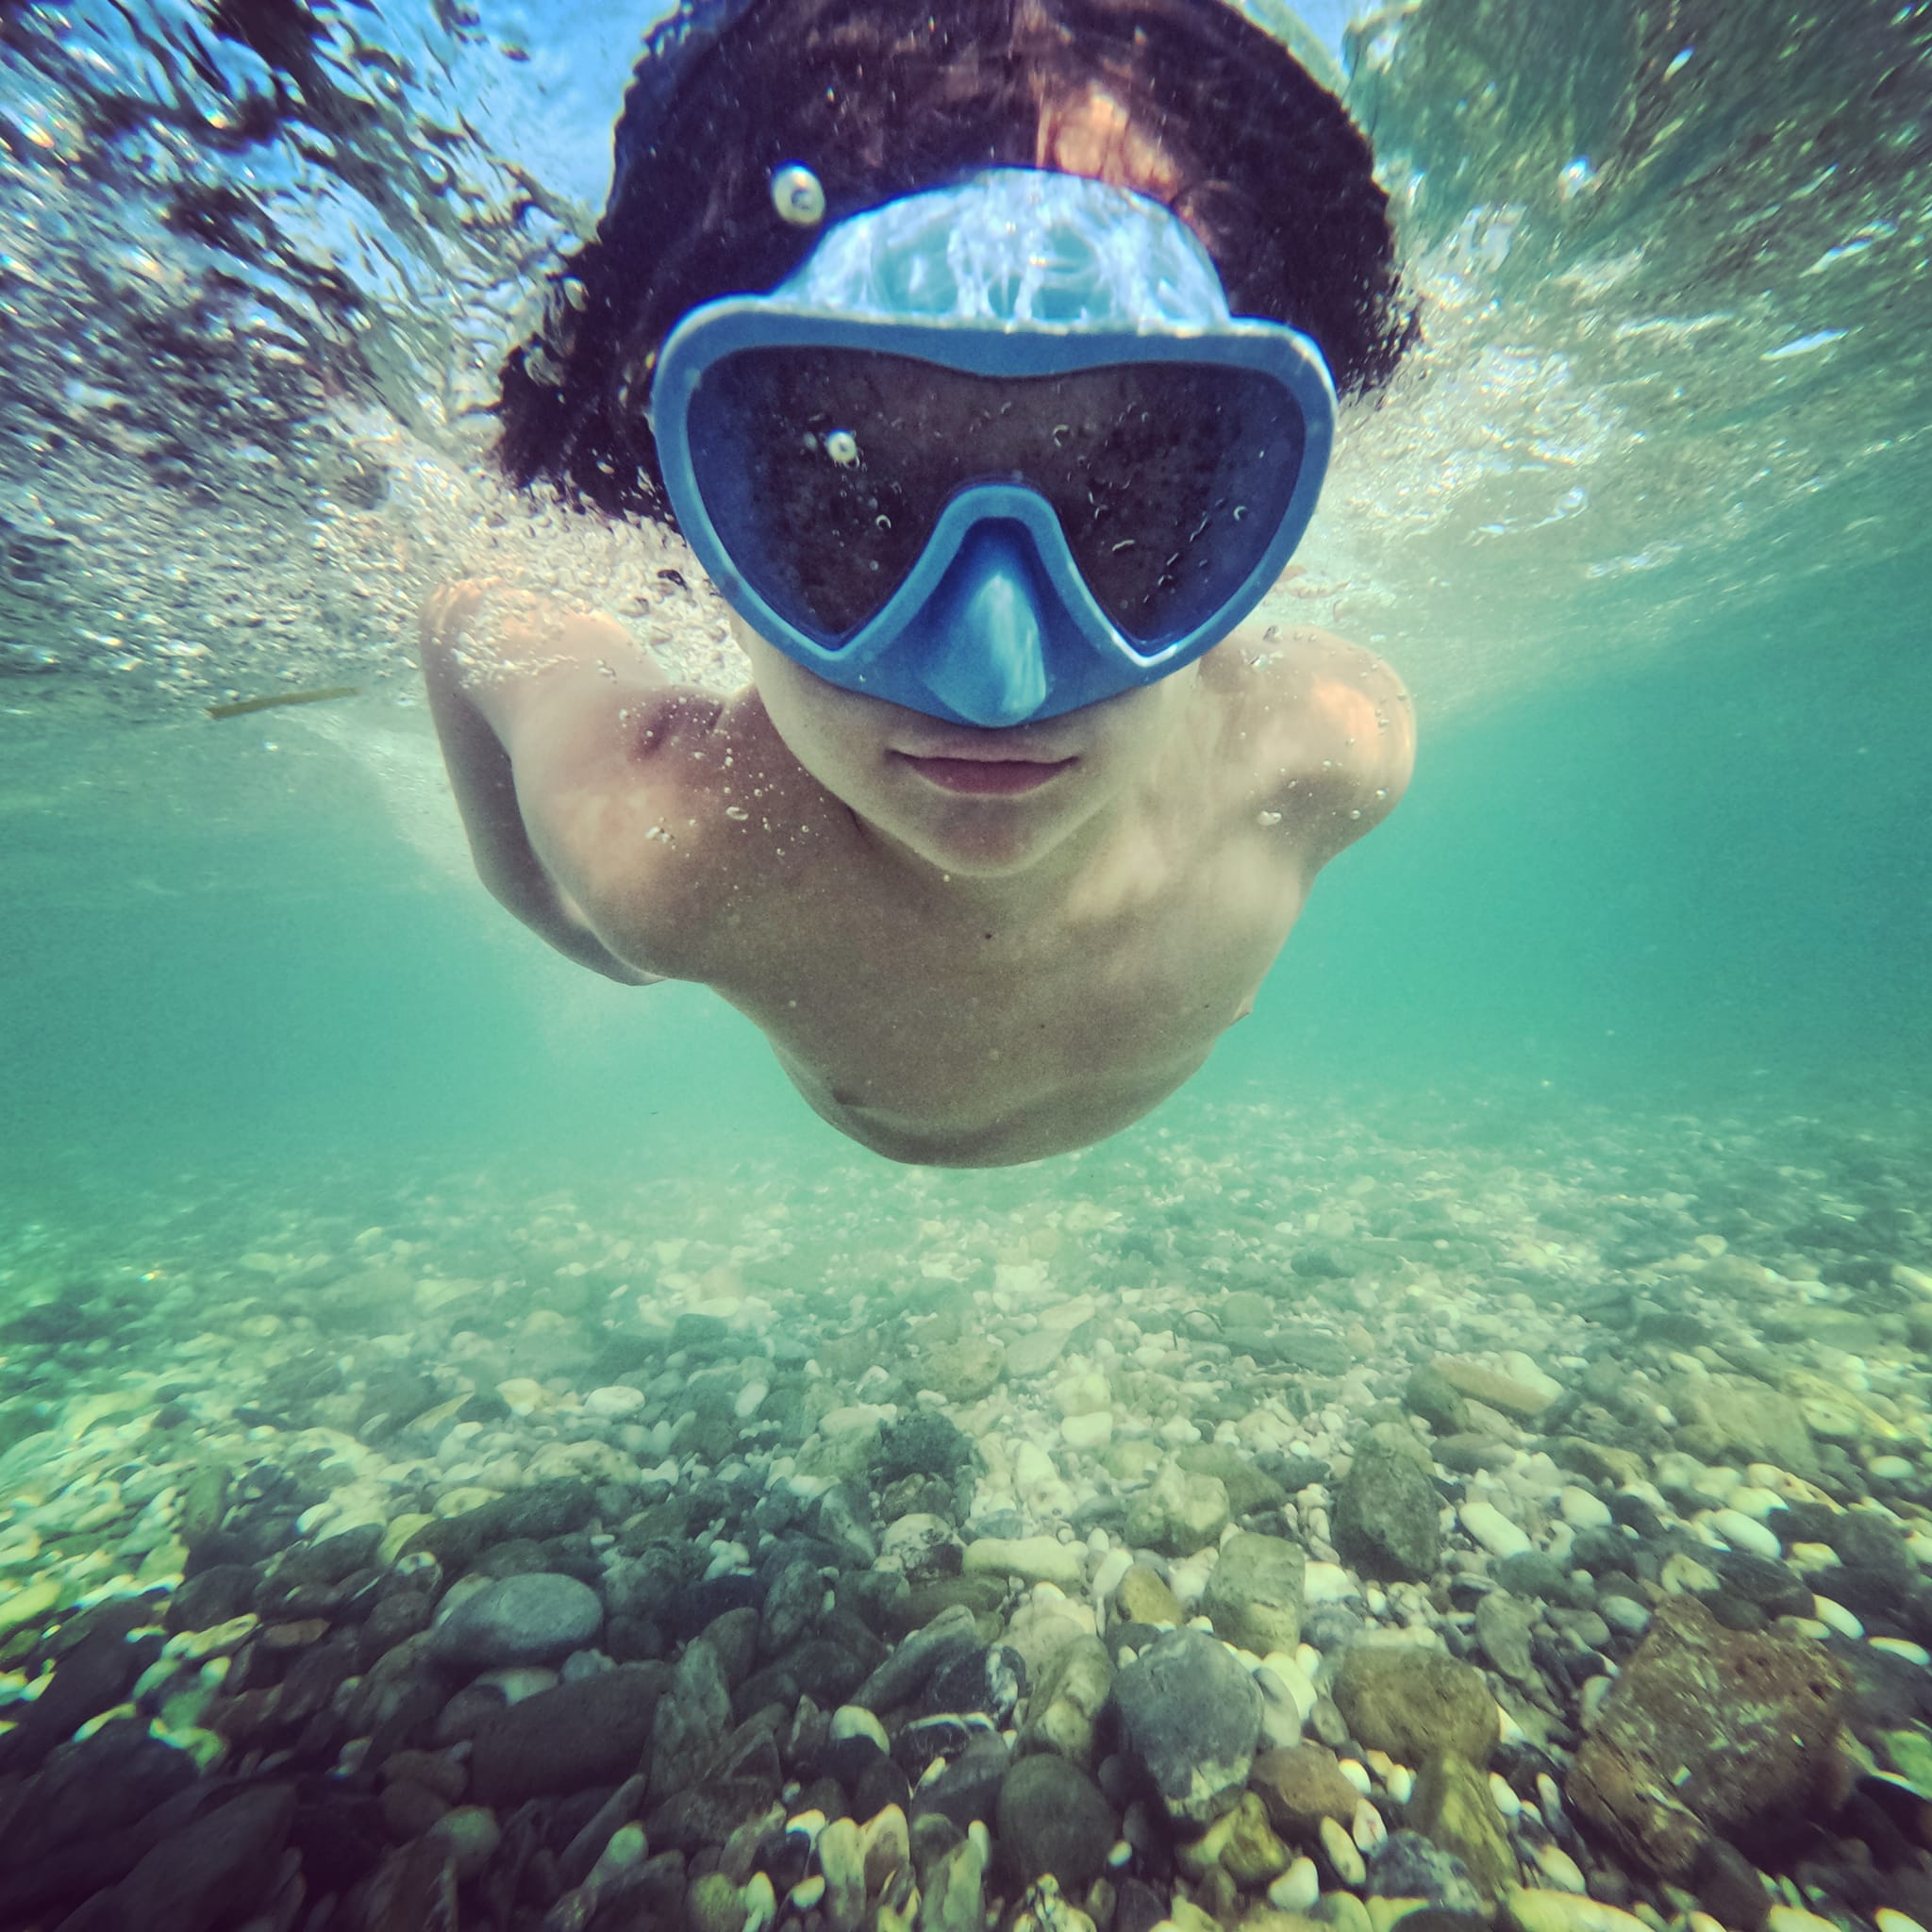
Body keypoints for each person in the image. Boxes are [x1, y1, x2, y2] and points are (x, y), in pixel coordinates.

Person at [422, 0, 1418, 1167]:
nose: (995, 681)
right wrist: (574, 920)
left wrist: (598, 926)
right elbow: (467, 614)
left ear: (1242, 535)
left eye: (1132, 513)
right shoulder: (669, 860)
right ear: (699, 528)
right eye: (845, 511)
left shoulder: (1322, 752)